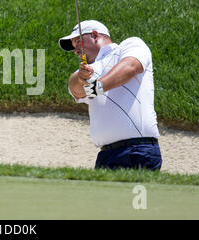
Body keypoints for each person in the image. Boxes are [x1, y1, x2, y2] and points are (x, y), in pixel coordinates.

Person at [58, 20, 162, 170]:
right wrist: (80, 78)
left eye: (78, 42)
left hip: (139, 150)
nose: (76, 50)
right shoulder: (87, 70)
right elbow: (74, 88)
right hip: (106, 156)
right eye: (74, 47)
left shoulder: (131, 45)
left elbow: (131, 67)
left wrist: (95, 88)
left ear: (95, 35)